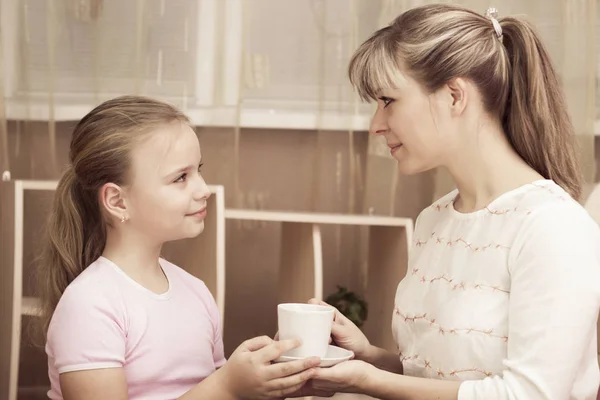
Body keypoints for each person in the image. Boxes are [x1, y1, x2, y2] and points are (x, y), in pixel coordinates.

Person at [298, 4, 600, 400]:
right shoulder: (434, 220)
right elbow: (433, 378)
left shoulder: (553, 227)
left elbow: (532, 394)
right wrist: (367, 357)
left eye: (388, 100)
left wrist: (368, 381)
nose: (376, 125)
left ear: (455, 96)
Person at [35, 95, 320, 400]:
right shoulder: (91, 304)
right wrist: (227, 386)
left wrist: (265, 380)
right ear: (118, 201)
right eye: (181, 177)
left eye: (199, 170)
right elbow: (217, 392)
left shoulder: (195, 292)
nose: (203, 189)